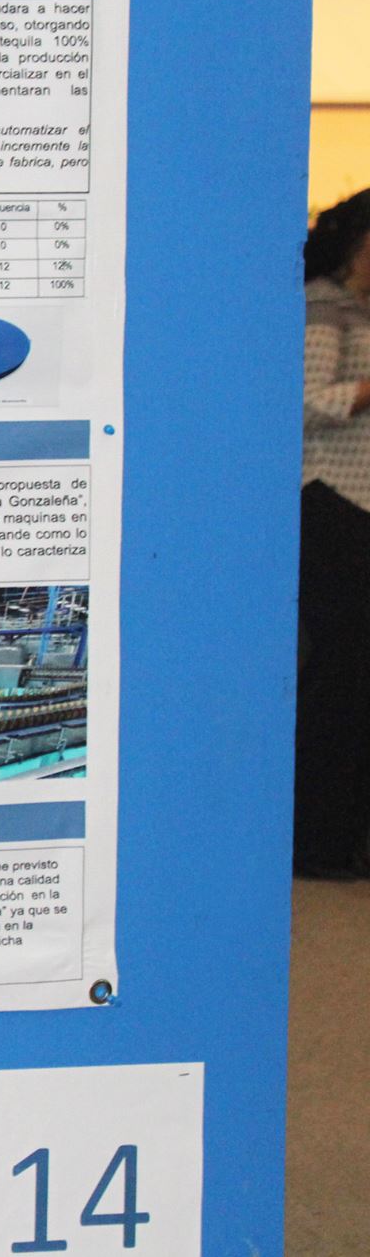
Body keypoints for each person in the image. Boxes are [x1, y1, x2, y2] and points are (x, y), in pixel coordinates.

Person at [297, 189, 370, 879]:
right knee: (340, 677)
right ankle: (317, 839)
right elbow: (302, 406)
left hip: (359, 506)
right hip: (330, 502)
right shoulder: (323, 308)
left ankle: (346, 837)